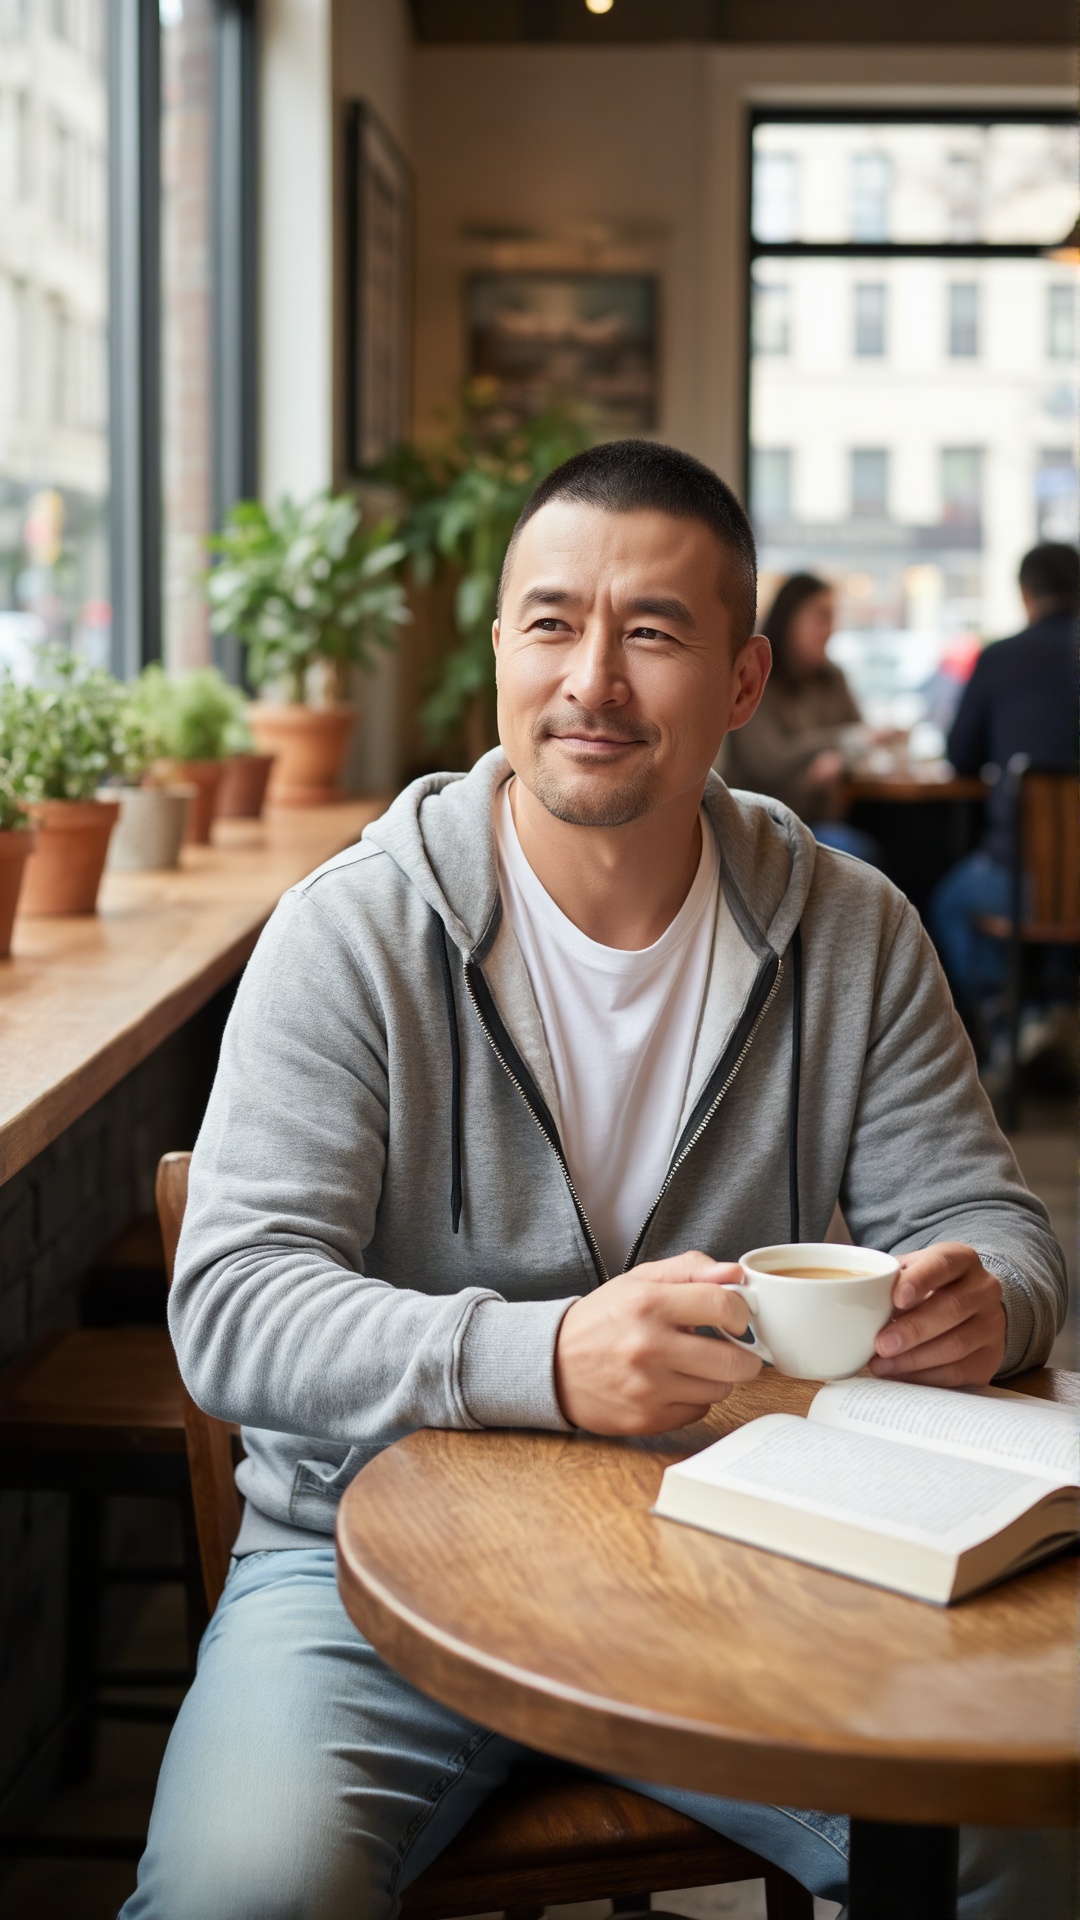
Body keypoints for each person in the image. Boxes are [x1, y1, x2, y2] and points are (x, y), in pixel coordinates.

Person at [123, 442, 1070, 1920]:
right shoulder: (355, 931)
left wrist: (990, 1303)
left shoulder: (851, 928)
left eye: (653, 632)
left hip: (738, 1543)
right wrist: (545, 1356)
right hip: (355, 1573)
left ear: (744, 682)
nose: (594, 681)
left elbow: (995, 1223)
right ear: (499, 651)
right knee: (237, 1898)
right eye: (554, 623)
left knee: (1028, 1850)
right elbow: (236, 1310)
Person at [928, 543, 1080, 1033]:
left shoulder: (1001, 658)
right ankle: (1057, 1015)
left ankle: (1007, 1027)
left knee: (951, 901)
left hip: (1022, 877)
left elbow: (960, 757)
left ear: (1025, 595)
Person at [719, 571, 877, 859]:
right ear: (790, 618)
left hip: (823, 817)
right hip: (761, 821)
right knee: (856, 854)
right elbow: (769, 760)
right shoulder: (757, 677)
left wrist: (838, 757)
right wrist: (835, 747)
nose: (831, 629)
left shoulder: (831, 677)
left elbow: (861, 739)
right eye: (822, 617)